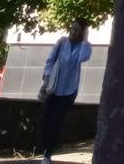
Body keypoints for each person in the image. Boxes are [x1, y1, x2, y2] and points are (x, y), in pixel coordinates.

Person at [39, 19, 91, 163]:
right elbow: (50, 61)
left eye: (77, 30)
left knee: (56, 121)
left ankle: (47, 154)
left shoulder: (84, 46)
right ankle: (45, 148)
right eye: (72, 28)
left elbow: (84, 57)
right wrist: (46, 80)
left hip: (69, 90)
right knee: (45, 120)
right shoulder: (62, 42)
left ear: (82, 33)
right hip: (54, 88)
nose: (72, 32)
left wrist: (85, 39)